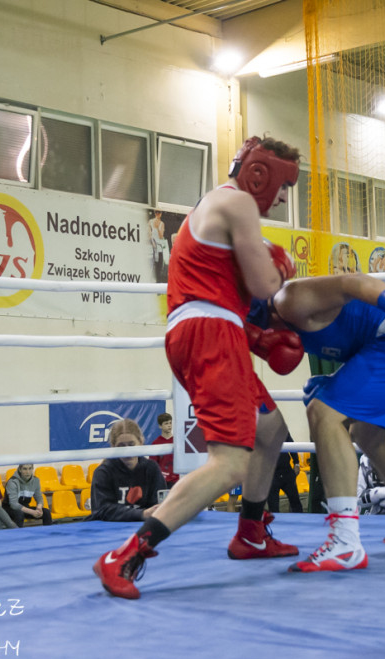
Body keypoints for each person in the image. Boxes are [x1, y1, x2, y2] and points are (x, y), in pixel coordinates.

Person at [94, 136, 300, 599]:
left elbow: (220, 292)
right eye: (284, 185)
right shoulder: (239, 204)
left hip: (204, 329)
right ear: (260, 172)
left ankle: (251, 534)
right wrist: (282, 266)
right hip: (210, 334)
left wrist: (255, 338)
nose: (284, 197)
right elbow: (265, 285)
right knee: (229, 464)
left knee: (270, 430)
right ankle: (125, 555)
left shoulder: (211, 206)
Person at [265, 272, 385, 572]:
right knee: (368, 435)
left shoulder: (289, 298)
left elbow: (348, 283)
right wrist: (337, 379)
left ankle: (345, 542)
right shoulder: (272, 322)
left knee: (322, 411)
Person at [91, 419, 168, 522]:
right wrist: (142, 514)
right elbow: (102, 511)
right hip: (110, 529)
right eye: (121, 446)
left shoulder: (151, 468)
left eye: (131, 445)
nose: (127, 450)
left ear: (140, 442)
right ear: (113, 447)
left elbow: (158, 505)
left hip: (142, 527)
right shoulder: (103, 472)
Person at [267, 441, 303, 514]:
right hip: (270, 474)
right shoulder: (261, 433)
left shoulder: (283, 430)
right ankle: (274, 523)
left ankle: (299, 520)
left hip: (287, 472)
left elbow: (292, 446)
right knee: (273, 506)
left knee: (296, 502)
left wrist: (296, 463)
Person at [150, 412, 178, 486]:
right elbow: (153, 465)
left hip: (177, 480)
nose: (169, 425)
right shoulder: (155, 443)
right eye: (166, 423)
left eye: (170, 423)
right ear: (160, 426)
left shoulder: (178, 442)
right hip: (162, 481)